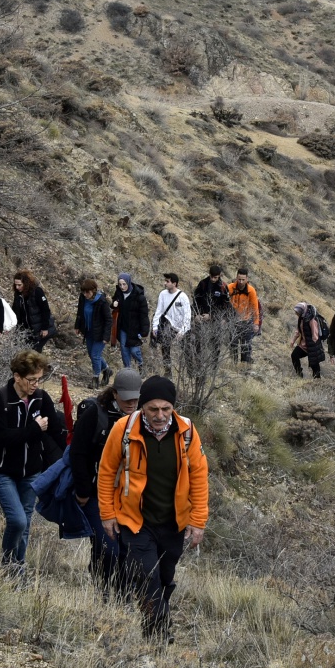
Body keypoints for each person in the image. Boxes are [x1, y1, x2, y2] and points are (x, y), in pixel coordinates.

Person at [97, 375, 209, 640]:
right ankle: (159, 632)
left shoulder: (187, 432)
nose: (160, 415)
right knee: (146, 575)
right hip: (135, 520)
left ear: (173, 407)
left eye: (166, 408)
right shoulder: (124, 430)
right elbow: (106, 471)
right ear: (142, 407)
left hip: (173, 521)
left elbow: (199, 476)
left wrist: (198, 520)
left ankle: (152, 625)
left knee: (165, 577)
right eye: (153, 409)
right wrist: (107, 514)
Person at [0, 351, 66, 571]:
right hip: (1, 471)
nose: (35, 384)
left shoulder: (41, 398)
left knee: (26, 522)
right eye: (31, 379)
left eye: (38, 379)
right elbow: (1, 438)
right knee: (18, 520)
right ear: (17, 377)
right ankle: (7, 564)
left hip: (31, 471)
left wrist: (73, 450)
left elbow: (55, 431)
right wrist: (35, 428)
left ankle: (18, 568)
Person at [69, 369, 140, 596]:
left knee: (126, 549)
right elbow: (78, 454)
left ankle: (120, 594)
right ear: (115, 393)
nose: (131, 403)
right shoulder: (95, 415)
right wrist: (83, 491)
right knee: (107, 546)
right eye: (126, 398)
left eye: (135, 398)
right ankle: (102, 588)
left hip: (129, 497)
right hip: (96, 494)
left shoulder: (144, 417)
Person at [150, 273, 191, 375]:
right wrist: (154, 327)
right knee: (165, 348)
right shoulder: (163, 294)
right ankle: (168, 372)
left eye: (167, 281)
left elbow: (187, 316)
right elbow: (158, 311)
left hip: (181, 328)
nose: (165, 283)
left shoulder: (183, 297)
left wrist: (182, 331)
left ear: (174, 283)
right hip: (168, 326)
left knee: (187, 350)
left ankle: (190, 373)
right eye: (165, 281)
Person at [74, 279, 112, 386]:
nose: (85, 294)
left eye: (88, 292)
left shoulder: (102, 301)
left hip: (100, 333)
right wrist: (77, 326)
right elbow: (80, 312)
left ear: (94, 290)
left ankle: (95, 379)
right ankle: (107, 370)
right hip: (89, 331)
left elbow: (108, 320)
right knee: (92, 355)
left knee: (95, 355)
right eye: (84, 292)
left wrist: (106, 336)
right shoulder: (83, 298)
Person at [111, 273, 150, 372]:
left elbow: (144, 315)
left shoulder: (139, 297)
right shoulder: (119, 293)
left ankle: (141, 365)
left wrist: (144, 331)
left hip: (135, 328)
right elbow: (114, 303)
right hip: (123, 327)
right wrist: (113, 304)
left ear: (128, 283)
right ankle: (127, 371)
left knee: (134, 350)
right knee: (124, 350)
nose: (122, 287)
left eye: (124, 284)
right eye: (120, 284)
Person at [11, 270, 55, 352]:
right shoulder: (18, 295)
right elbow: (15, 312)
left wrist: (44, 328)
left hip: (39, 330)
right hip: (26, 331)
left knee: (34, 352)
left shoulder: (37, 292)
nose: (17, 287)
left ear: (26, 283)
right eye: (15, 285)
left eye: (19, 285)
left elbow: (45, 310)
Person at [227, 269, 262, 363]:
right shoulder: (230, 288)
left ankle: (244, 364)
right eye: (239, 279)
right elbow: (224, 303)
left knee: (245, 344)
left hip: (246, 320)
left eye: (243, 279)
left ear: (247, 279)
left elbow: (255, 308)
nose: (241, 282)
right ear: (236, 278)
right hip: (233, 320)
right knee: (233, 343)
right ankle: (234, 363)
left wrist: (256, 323)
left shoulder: (251, 290)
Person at [290, 302, 326, 379]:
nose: (296, 314)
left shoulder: (312, 320)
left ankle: (317, 382)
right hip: (303, 345)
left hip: (313, 345)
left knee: (314, 365)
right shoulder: (301, 317)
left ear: (302, 311)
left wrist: (313, 347)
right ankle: (299, 374)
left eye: (297, 312)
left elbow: (315, 335)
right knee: (294, 355)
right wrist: (293, 341)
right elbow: (298, 331)